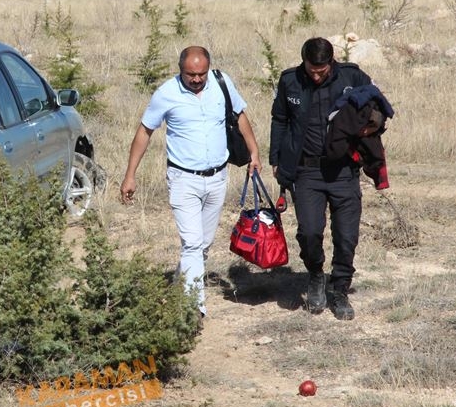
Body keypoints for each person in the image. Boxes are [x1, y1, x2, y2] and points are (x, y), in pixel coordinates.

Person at [120, 46, 262, 319]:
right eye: (191, 74)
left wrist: (254, 152)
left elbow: (240, 116)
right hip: (183, 179)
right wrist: (130, 175)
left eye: (201, 74)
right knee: (193, 243)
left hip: (218, 176)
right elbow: (144, 132)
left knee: (203, 244)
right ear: (180, 70)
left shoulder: (222, 82)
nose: (197, 79)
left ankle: (179, 286)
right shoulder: (166, 94)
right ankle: (192, 308)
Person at [270, 37, 373, 320]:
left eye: (322, 70)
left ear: (332, 62)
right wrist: (276, 158)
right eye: (312, 70)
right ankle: (315, 274)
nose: (316, 75)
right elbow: (279, 119)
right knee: (310, 231)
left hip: (343, 171)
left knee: (346, 236)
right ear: (303, 61)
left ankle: (339, 290)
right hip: (307, 172)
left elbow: (377, 106)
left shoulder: (353, 76)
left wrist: (370, 128)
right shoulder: (290, 81)